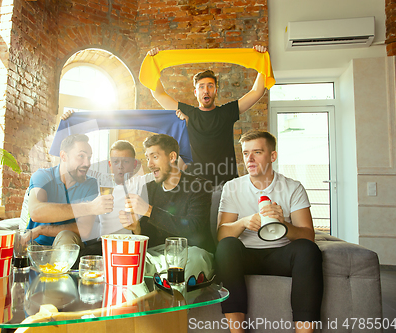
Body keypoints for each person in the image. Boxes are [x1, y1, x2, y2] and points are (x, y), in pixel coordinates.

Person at [215, 130, 323, 333]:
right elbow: (221, 234)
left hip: (281, 255)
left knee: (308, 250)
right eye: (246, 153)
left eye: (257, 152)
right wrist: (243, 223)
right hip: (245, 256)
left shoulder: (292, 188)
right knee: (226, 246)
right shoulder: (232, 187)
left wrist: (283, 224)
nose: (250, 159)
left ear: (272, 156)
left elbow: (308, 235)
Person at [146, 45, 267, 187]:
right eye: (201, 87)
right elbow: (159, 94)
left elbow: (258, 91)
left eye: (210, 86)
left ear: (216, 90)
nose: (206, 91)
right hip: (195, 185)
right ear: (195, 92)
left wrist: (261, 60)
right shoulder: (187, 113)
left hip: (226, 183)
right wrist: (153, 64)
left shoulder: (226, 112)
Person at [119, 134, 215, 279]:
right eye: (147, 158)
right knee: (125, 259)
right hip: (157, 255)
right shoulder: (148, 188)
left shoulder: (199, 186)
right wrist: (136, 227)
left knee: (195, 258)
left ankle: (173, 297)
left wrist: (149, 210)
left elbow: (194, 228)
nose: (150, 164)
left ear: (172, 157)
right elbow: (146, 237)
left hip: (191, 253)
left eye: (154, 157)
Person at [26, 134, 113, 247]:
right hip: (35, 246)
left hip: (69, 248)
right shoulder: (43, 176)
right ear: (63, 156)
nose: (87, 164)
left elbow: (84, 230)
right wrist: (89, 207)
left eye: (89, 157)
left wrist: (42, 229)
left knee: (66, 236)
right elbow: (36, 212)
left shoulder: (90, 184)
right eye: (81, 156)